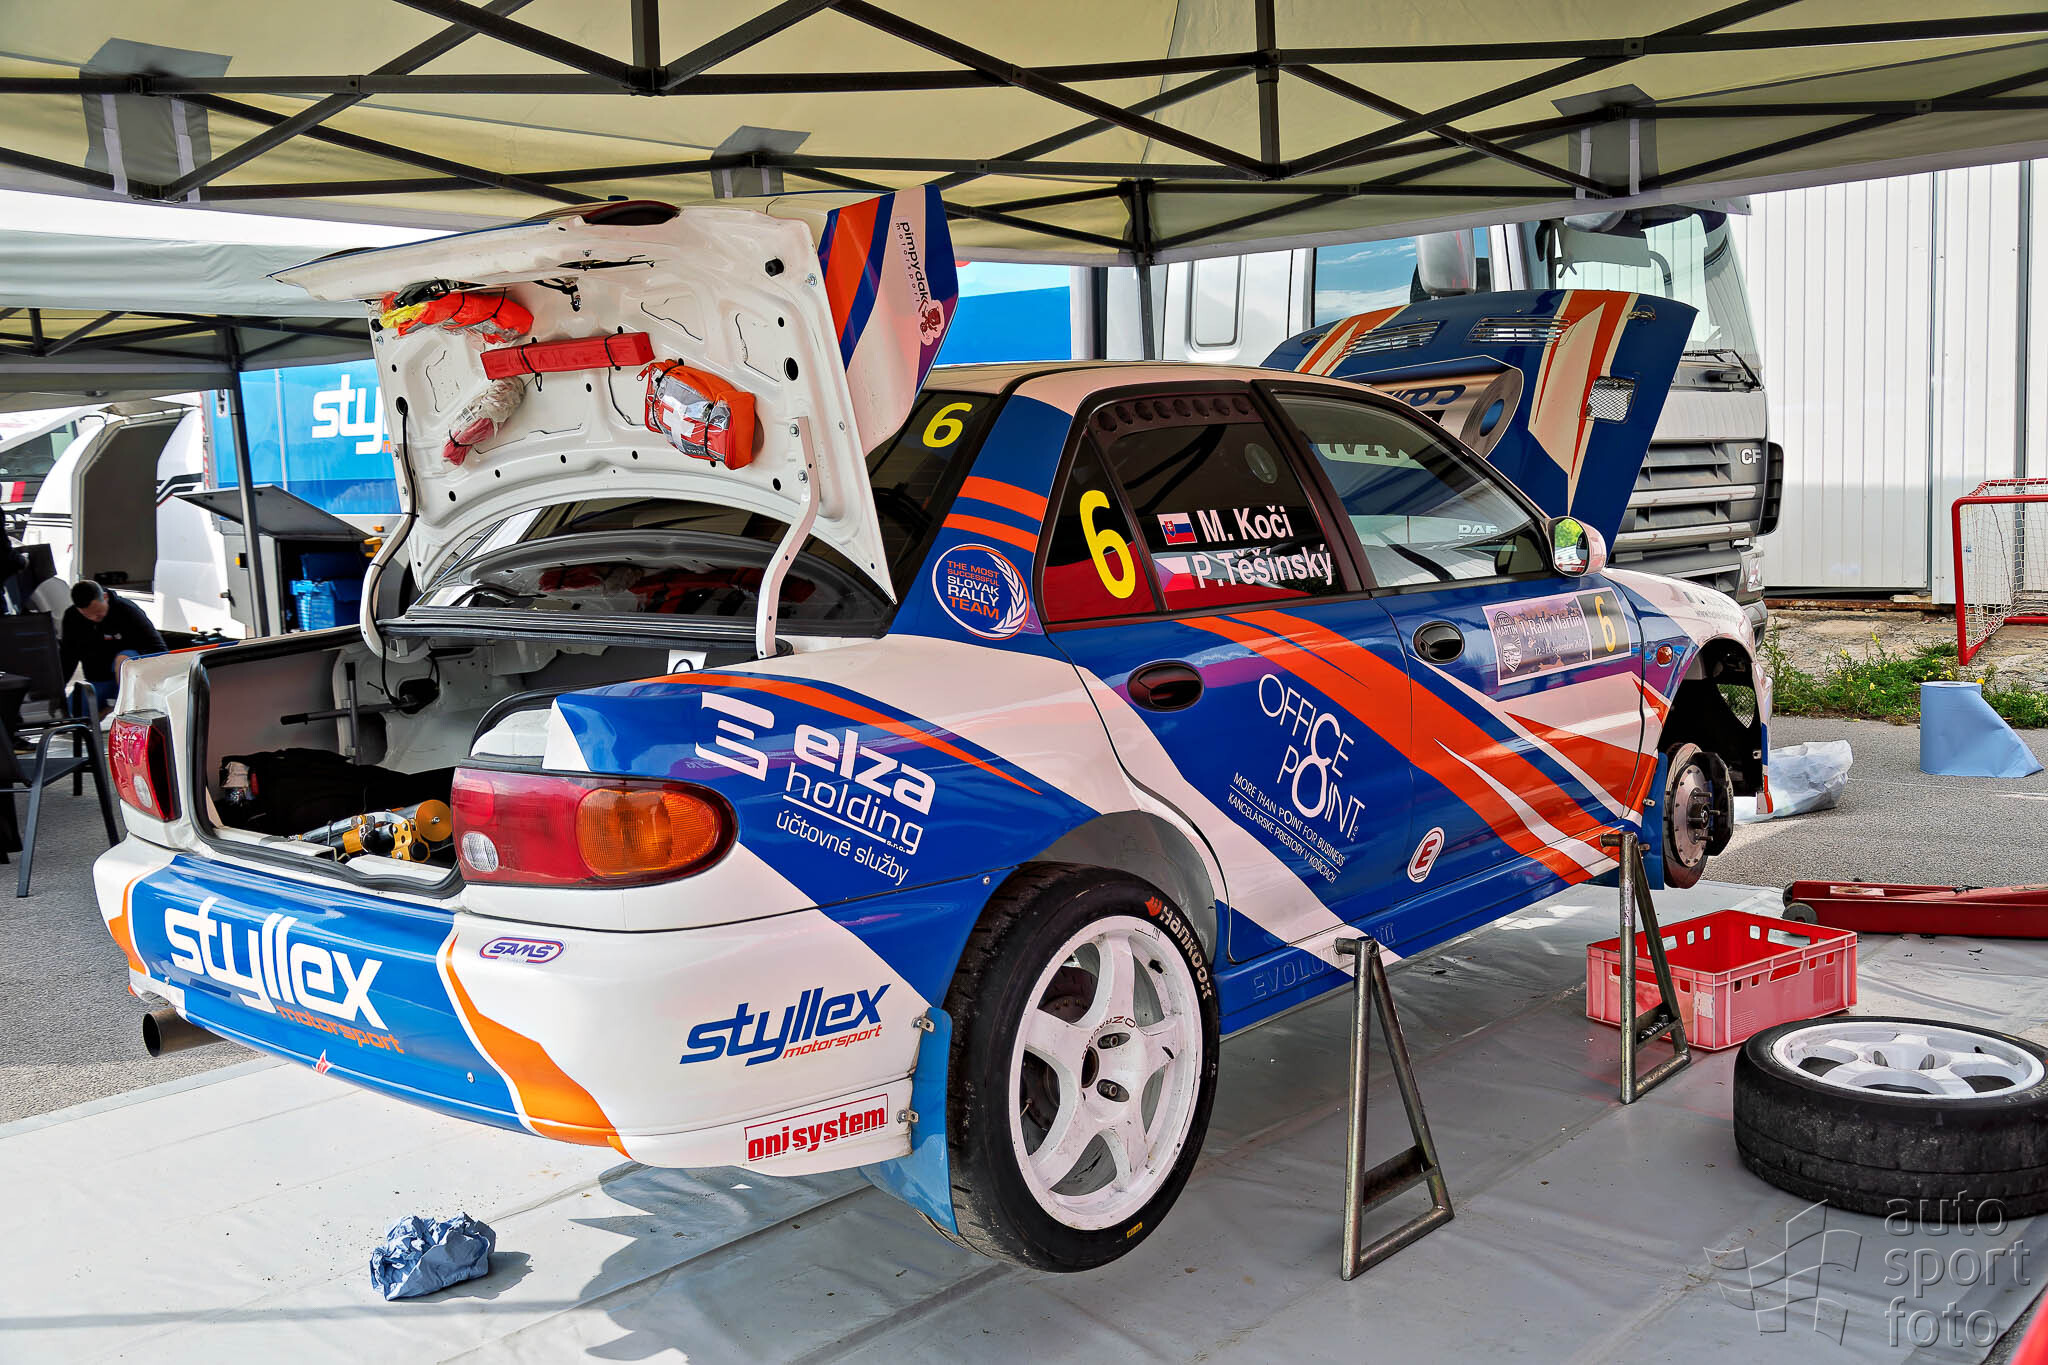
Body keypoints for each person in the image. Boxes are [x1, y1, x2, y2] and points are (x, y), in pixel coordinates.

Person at [61, 580, 164, 713]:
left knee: (124, 659)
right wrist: (58, 690)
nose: (93, 618)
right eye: (87, 615)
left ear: (105, 597)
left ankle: (126, 707)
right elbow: (67, 657)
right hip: (99, 680)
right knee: (73, 712)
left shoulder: (127, 611)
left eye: (98, 613)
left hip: (131, 680)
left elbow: (158, 649)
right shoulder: (72, 617)